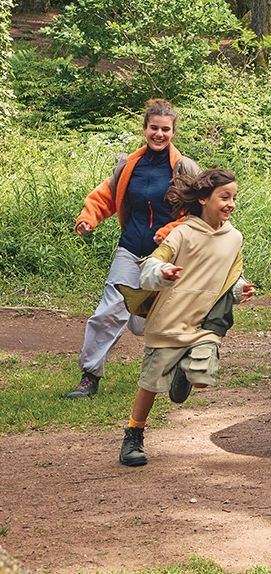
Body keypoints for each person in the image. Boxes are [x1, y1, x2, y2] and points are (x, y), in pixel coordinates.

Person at [117, 168, 254, 467]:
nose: (231, 203)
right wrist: (162, 273)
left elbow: (234, 276)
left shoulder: (234, 238)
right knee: (150, 384)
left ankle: (185, 371)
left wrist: (241, 290)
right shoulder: (182, 233)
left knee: (203, 378)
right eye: (224, 197)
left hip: (205, 322)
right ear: (204, 199)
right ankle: (133, 434)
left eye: (234, 197)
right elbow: (151, 264)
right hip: (170, 320)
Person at [66, 100, 200, 398]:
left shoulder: (184, 167)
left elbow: (197, 213)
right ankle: (90, 375)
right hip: (130, 248)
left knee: (148, 322)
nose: (159, 134)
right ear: (145, 129)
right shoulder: (129, 165)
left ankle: (181, 363)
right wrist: (88, 219)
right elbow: (106, 196)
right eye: (154, 128)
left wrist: (168, 232)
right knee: (109, 311)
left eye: (166, 129)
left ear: (173, 132)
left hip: (168, 254)